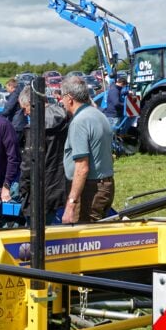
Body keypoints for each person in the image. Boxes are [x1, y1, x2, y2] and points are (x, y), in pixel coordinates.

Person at [59, 76, 115, 223]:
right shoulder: (99, 115)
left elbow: (82, 168)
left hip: (90, 190)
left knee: (85, 238)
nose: (61, 102)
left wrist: (71, 204)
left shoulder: (80, 122)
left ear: (69, 98)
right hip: (105, 185)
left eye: (62, 97)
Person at [16, 85, 69, 224]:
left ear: (31, 104)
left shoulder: (35, 126)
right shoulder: (65, 116)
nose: (25, 114)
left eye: (24, 109)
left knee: (34, 234)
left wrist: (23, 188)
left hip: (40, 189)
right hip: (61, 184)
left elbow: (28, 163)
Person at [0, 78, 28, 143]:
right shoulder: (20, 93)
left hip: (16, 124)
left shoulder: (14, 95)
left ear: (11, 86)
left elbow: (8, 109)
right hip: (21, 123)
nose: (6, 89)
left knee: (12, 145)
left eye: (7, 87)